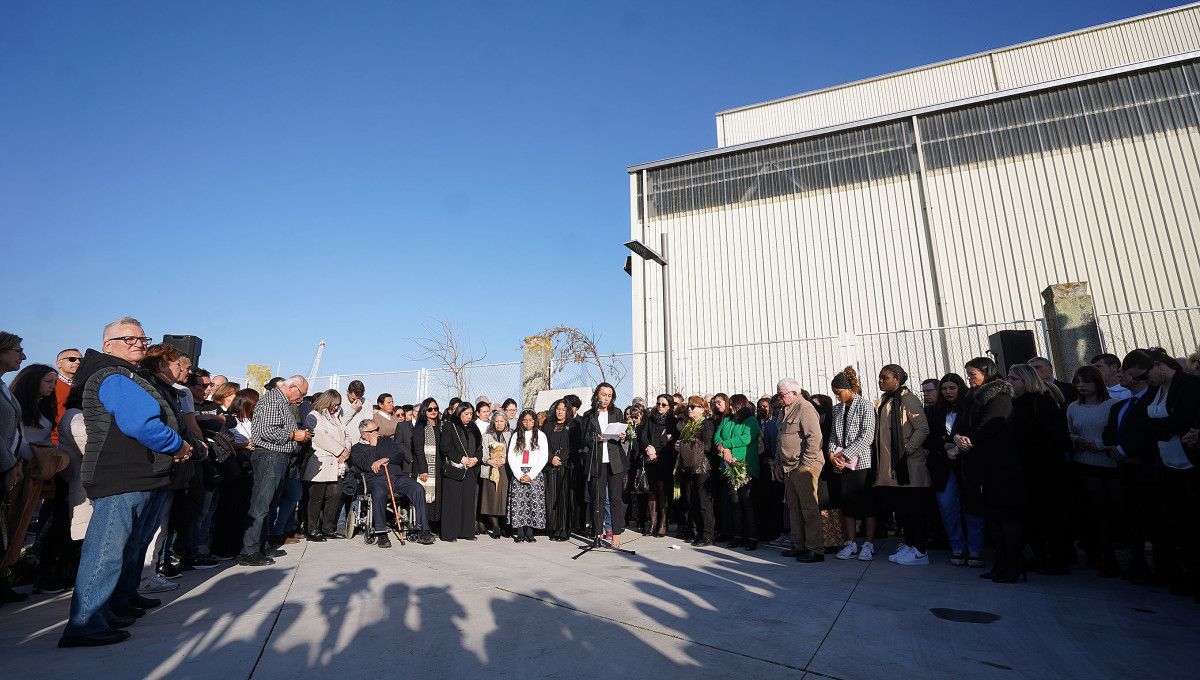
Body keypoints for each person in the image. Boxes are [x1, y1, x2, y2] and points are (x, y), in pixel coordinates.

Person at [57, 318, 192, 647]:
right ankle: (85, 623)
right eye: (128, 338)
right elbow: (140, 424)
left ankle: (113, 605)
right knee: (106, 550)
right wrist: (178, 445)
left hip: (136, 475)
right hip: (121, 476)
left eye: (142, 338)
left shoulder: (126, 373)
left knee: (126, 546)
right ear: (108, 345)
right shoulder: (114, 375)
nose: (138, 343)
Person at [953, 357, 1021, 583]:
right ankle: (999, 565)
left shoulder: (999, 396)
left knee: (1005, 518)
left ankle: (1011, 566)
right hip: (979, 465)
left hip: (1000, 465)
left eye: (973, 374)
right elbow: (961, 424)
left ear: (986, 372)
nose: (970, 379)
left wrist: (968, 440)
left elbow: (992, 424)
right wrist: (958, 437)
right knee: (992, 517)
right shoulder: (971, 398)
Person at [1140, 349, 1200, 598]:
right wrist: (1162, 428)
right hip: (1168, 465)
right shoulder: (1155, 390)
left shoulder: (1189, 385)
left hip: (1191, 463)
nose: (1145, 381)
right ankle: (1186, 576)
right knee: (1179, 524)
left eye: (1146, 375)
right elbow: (1145, 421)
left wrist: (1160, 428)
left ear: (1158, 366)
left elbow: (1180, 421)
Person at [1101, 350, 1161, 584]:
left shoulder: (1153, 400)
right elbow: (1109, 432)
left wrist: (1126, 451)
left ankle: (1162, 567)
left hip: (1148, 470)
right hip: (1124, 472)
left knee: (1155, 523)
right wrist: (1116, 449)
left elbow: (1150, 434)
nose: (1121, 375)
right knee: (1130, 521)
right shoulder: (1120, 406)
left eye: (1126, 371)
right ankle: (1137, 564)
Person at [1008, 363, 1072, 575]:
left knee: (1051, 515)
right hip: (1026, 469)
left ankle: (1057, 558)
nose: (1010, 382)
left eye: (1014, 379)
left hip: (1046, 470)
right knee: (1034, 516)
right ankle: (1040, 555)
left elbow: (1054, 436)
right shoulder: (1014, 404)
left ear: (1026, 381)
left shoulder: (1042, 402)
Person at [240, 375, 310, 567]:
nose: (301, 399)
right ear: (293, 387)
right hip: (270, 456)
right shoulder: (272, 400)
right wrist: (293, 434)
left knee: (269, 504)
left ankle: (261, 546)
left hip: (278, 457)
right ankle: (249, 550)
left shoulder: (281, 402)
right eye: (302, 394)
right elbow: (265, 431)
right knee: (261, 504)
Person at [872, 364, 931, 566]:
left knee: (914, 510)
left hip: (908, 466)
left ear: (897, 379)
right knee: (903, 510)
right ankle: (909, 544)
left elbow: (922, 429)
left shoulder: (908, 399)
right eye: (880, 377)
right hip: (893, 468)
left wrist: (907, 450)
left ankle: (920, 550)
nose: (881, 381)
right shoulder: (885, 400)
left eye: (885, 378)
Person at [1067, 365, 1121, 576]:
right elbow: (1069, 432)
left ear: (1097, 383)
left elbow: (1116, 434)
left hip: (1109, 465)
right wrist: (1077, 441)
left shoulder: (1112, 406)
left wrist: (1097, 444)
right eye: (1078, 382)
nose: (1081, 386)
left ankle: (1111, 555)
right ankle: (1098, 554)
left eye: (1086, 382)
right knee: (1093, 512)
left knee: (1111, 512)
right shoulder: (1073, 407)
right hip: (1084, 464)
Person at [925, 373, 983, 567]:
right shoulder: (933, 411)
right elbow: (928, 438)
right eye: (944, 389)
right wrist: (945, 447)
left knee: (972, 507)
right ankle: (957, 547)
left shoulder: (971, 408)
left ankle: (975, 550)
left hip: (967, 465)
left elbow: (976, 433)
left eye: (952, 388)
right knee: (948, 507)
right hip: (943, 466)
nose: (948, 392)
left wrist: (957, 447)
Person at [349, 420, 435, 547]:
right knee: (379, 493)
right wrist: (373, 446)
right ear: (364, 434)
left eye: (377, 429)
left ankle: (423, 529)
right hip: (375, 480)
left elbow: (399, 454)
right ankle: (381, 533)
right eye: (373, 431)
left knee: (417, 488)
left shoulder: (386, 441)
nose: (377, 432)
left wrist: (386, 458)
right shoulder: (357, 449)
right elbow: (366, 465)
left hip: (396, 476)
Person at [828, 367, 878, 562]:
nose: (837, 396)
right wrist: (833, 455)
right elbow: (833, 435)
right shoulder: (837, 409)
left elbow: (867, 435)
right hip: (842, 464)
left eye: (838, 392)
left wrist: (845, 454)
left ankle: (868, 543)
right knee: (847, 503)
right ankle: (851, 542)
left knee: (867, 503)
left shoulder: (865, 405)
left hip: (862, 462)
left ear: (848, 388)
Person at [775, 378, 824, 563]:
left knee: (809, 508)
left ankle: (815, 549)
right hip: (788, 466)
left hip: (803, 466)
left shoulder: (805, 408)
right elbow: (781, 439)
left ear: (794, 393)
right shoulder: (783, 411)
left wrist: (806, 464)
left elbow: (815, 439)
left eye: (782, 394)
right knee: (794, 508)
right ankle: (799, 545)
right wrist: (778, 464)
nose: (779, 398)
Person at [580, 383, 629, 548]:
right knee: (598, 499)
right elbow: (584, 438)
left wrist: (623, 435)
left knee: (615, 498)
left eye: (609, 395)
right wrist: (595, 439)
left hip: (615, 461)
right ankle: (597, 533)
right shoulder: (589, 415)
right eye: (603, 394)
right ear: (597, 396)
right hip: (597, 460)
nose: (606, 398)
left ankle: (616, 534)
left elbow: (625, 434)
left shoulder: (617, 412)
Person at [303, 389, 350, 542]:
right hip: (321, 461)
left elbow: (346, 435)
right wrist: (340, 450)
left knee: (335, 496)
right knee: (316, 498)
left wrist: (347, 449)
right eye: (334, 405)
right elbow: (321, 437)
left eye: (338, 405)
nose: (336, 408)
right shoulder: (314, 416)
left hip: (337, 461)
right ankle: (312, 529)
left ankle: (328, 528)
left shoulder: (336, 418)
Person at [716, 394, 760, 550]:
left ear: (741, 405)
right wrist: (723, 449)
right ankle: (738, 535)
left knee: (746, 502)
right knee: (734, 503)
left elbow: (746, 438)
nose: (731, 407)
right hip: (729, 466)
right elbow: (717, 437)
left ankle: (752, 536)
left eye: (734, 405)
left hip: (745, 465)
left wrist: (725, 445)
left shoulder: (751, 421)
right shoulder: (728, 420)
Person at [438, 402, 481, 542]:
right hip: (454, 469)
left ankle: (466, 531)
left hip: (470, 468)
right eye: (466, 414)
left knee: (468, 501)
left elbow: (480, 447)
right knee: (453, 501)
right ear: (459, 413)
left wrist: (476, 458)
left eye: (471, 414)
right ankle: (450, 532)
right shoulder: (450, 426)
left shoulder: (474, 427)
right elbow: (445, 447)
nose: (469, 417)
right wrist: (461, 458)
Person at [677, 396, 715, 546]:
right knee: (693, 501)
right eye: (689, 406)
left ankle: (708, 535)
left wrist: (687, 444)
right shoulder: (688, 425)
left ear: (703, 409)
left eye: (694, 406)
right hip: (689, 466)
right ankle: (698, 532)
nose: (690, 409)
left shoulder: (706, 424)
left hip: (702, 466)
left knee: (704, 502)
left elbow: (707, 446)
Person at [638, 394, 677, 539]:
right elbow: (643, 436)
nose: (660, 407)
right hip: (651, 459)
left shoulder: (673, 421)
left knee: (662, 491)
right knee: (651, 491)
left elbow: (674, 441)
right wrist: (648, 447)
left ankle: (663, 523)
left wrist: (659, 452)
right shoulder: (650, 419)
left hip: (665, 460)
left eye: (664, 405)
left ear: (670, 407)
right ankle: (652, 523)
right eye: (658, 403)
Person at [507, 409, 549, 542]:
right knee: (519, 503)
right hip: (518, 472)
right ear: (521, 421)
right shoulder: (516, 436)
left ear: (535, 421)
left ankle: (530, 533)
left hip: (534, 474)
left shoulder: (541, 435)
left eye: (531, 420)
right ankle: (520, 533)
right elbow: (511, 457)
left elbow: (543, 457)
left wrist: (531, 474)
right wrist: (519, 474)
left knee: (532, 503)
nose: (528, 423)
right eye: (525, 420)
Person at [542, 399, 573, 541]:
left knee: (564, 499)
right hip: (550, 466)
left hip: (566, 467)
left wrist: (561, 458)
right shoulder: (548, 425)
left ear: (567, 411)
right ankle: (553, 528)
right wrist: (551, 458)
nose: (560, 411)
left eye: (563, 409)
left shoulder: (572, 426)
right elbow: (543, 445)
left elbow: (573, 445)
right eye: (558, 409)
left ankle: (563, 529)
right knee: (552, 498)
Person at [479, 410, 511, 539]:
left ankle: (504, 525)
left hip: (504, 469)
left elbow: (514, 452)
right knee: (492, 497)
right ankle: (495, 526)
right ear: (493, 422)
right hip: (490, 468)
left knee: (503, 496)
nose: (499, 424)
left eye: (502, 421)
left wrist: (505, 459)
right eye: (496, 421)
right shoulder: (486, 435)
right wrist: (489, 461)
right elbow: (482, 452)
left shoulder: (510, 435)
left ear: (506, 422)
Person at [411, 397, 441, 528]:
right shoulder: (420, 427)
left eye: (436, 409)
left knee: (437, 496)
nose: (433, 411)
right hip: (425, 467)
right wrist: (424, 469)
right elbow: (418, 450)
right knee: (425, 497)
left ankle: (434, 525)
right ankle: (423, 525)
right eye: (430, 409)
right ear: (424, 410)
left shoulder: (440, 426)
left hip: (438, 467)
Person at [53, 348, 83, 445]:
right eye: (72, 359)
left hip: (78, 441)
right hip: (56, 442)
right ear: (59, 363)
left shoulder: (85, 386)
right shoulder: (51, 386)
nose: (77, 362)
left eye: (81, 360)